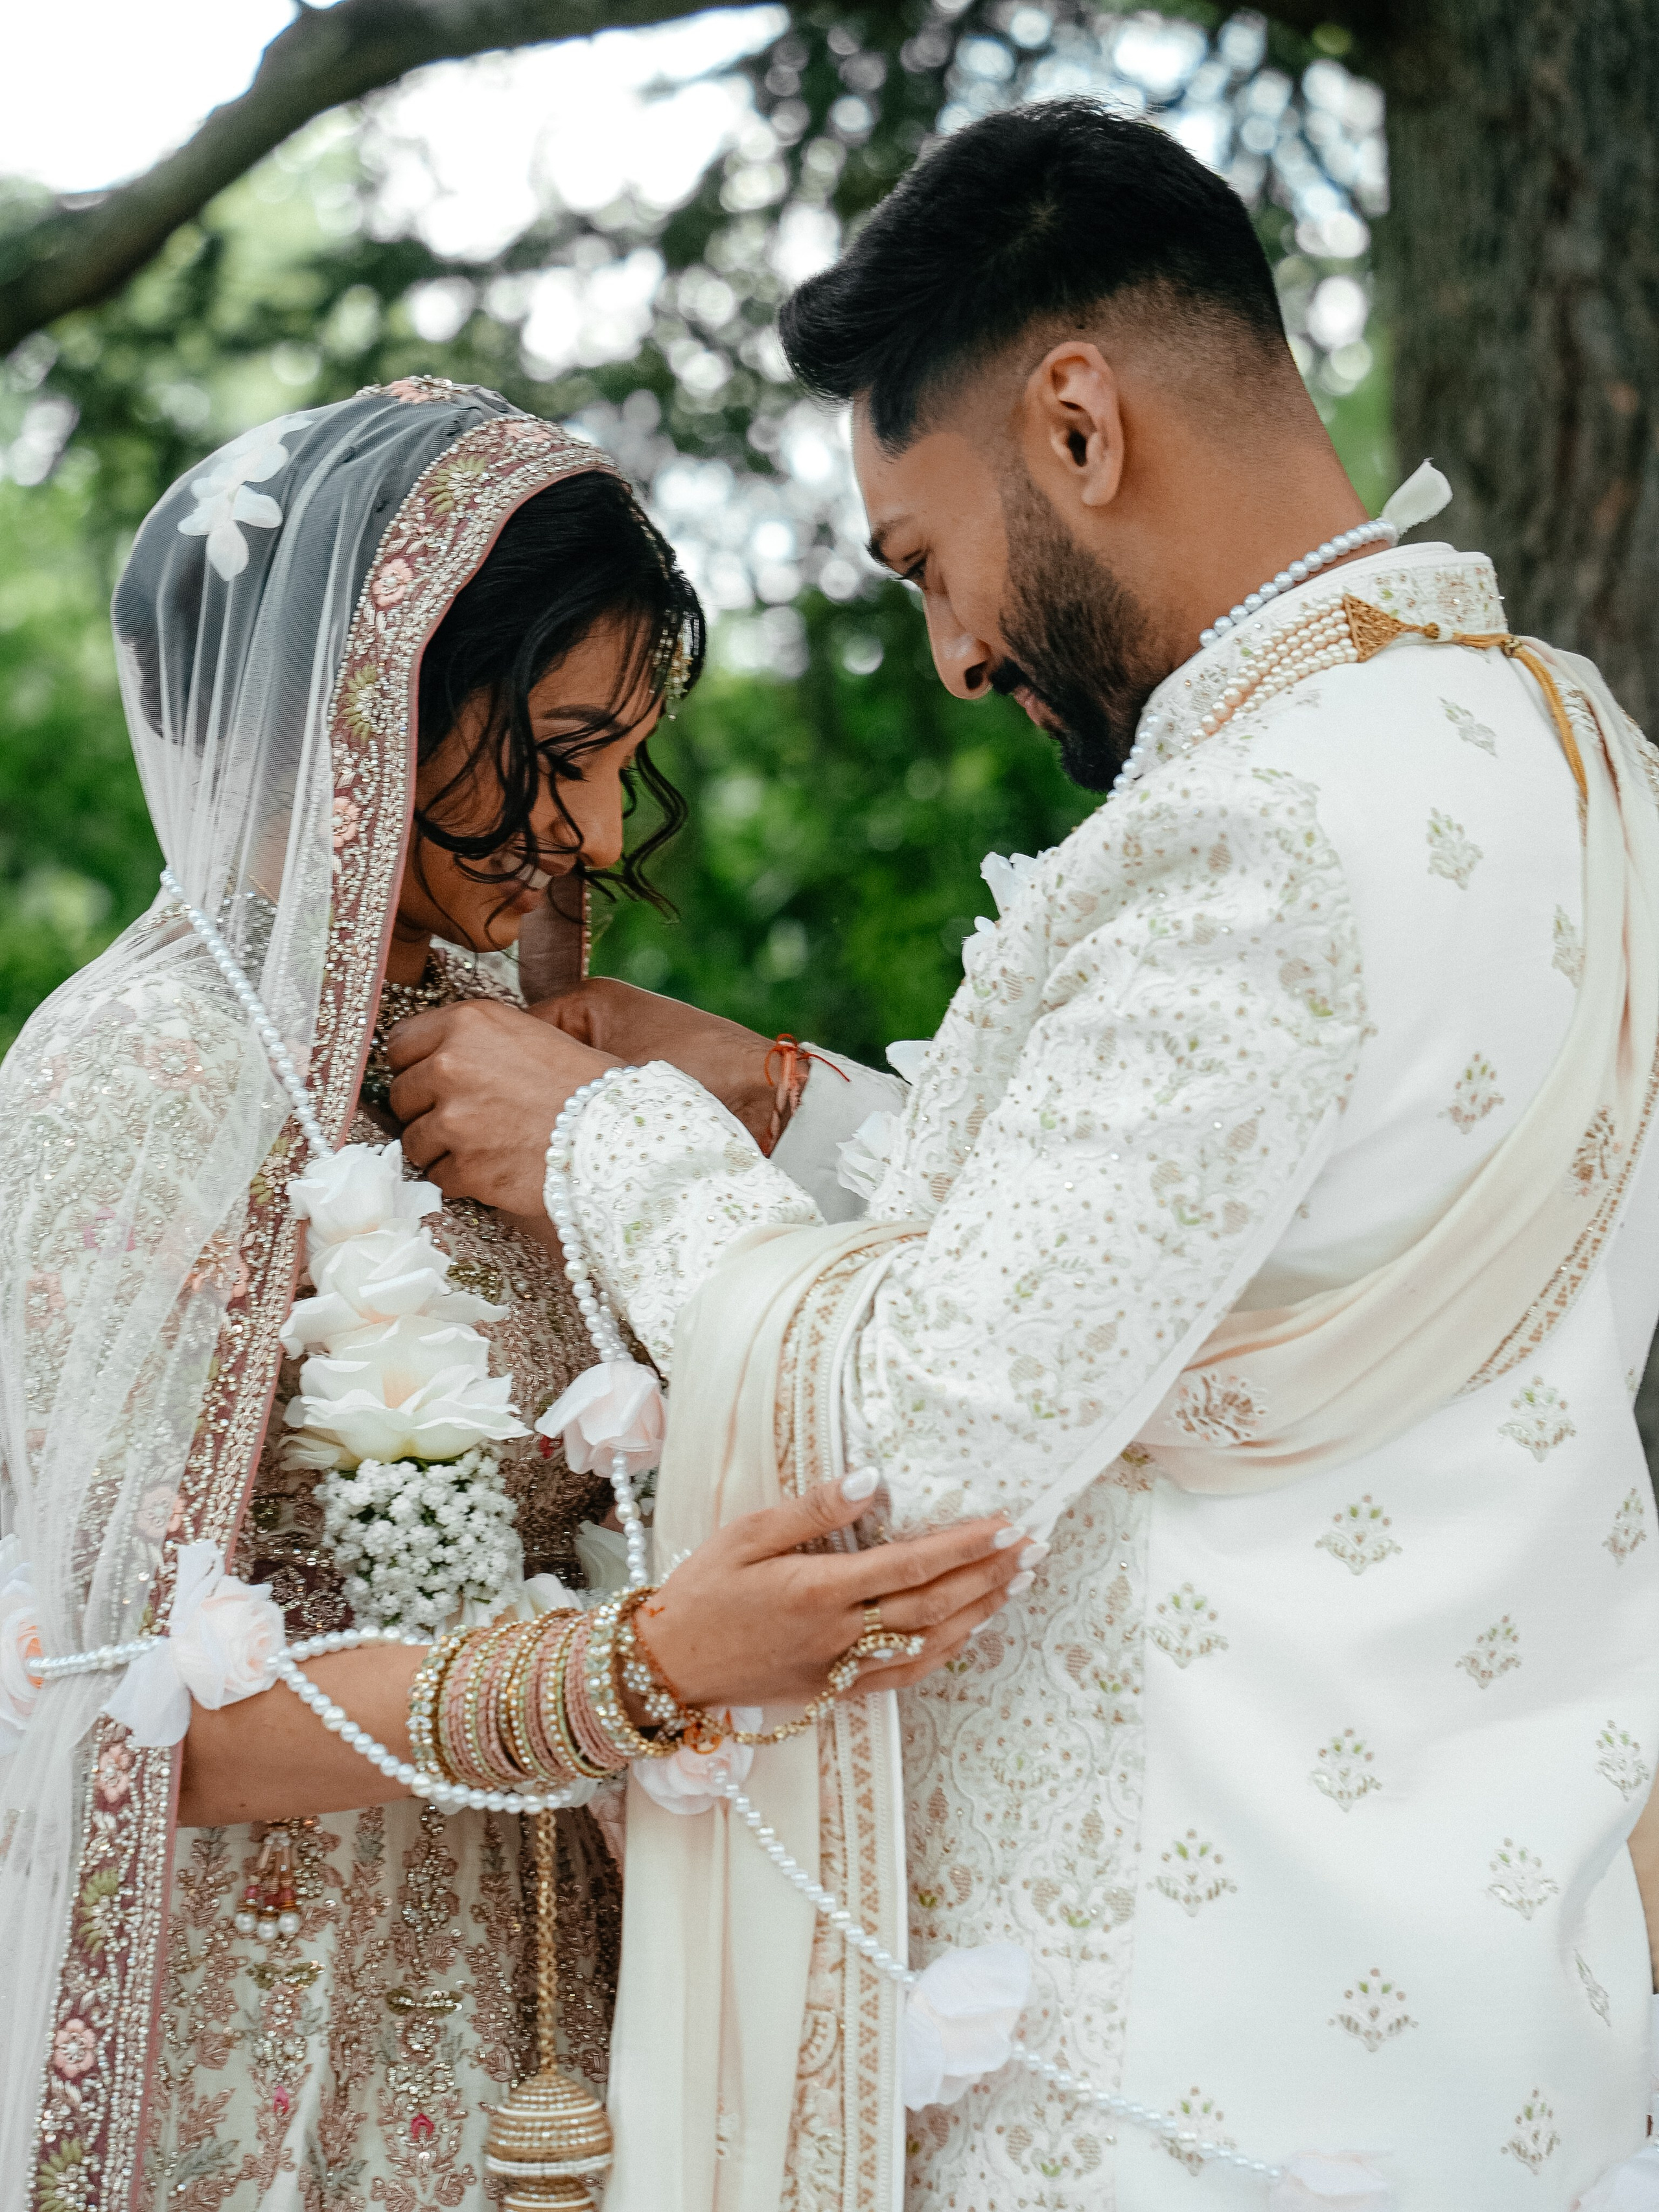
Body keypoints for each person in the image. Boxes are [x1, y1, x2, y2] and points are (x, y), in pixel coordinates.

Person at [386, 104, 1659, 2212]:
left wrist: (599, 1134)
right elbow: (1217, 1248)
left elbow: (930, 1433)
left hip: (1197, 2051)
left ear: (1077, 424)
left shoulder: (1256, 829)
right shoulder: (1573, 749)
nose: (960, 648)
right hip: (1494, 2003)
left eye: (925, 557)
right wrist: (783, 1102)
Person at [0, 378, 1023, 2212]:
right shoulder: (147, 1082)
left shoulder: (503, 1058)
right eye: (559, 752)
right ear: (363, 712)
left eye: (625, 757)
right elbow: (95, 1714)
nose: (607, 832)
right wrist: (641, 1668)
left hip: (582, 2025)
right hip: (283, 2076)